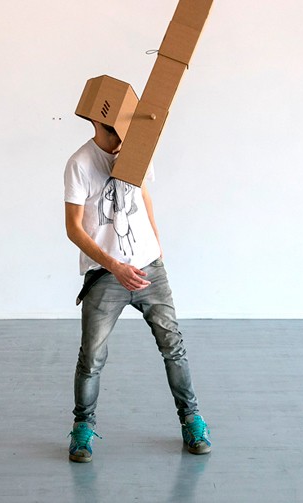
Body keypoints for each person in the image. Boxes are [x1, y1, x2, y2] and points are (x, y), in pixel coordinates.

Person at [63, 119, 211, 463]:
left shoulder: (136, 151)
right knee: (91, 357)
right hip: (105, 276)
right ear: (98, 123)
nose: (122, 136)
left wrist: (156, 246)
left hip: (149, 270)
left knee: (173, 346)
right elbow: (73, 228)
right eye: (115, 129)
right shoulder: (80, 164)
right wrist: (115, 266)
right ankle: (82, 427)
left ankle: (192, 420)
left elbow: (143, 196)